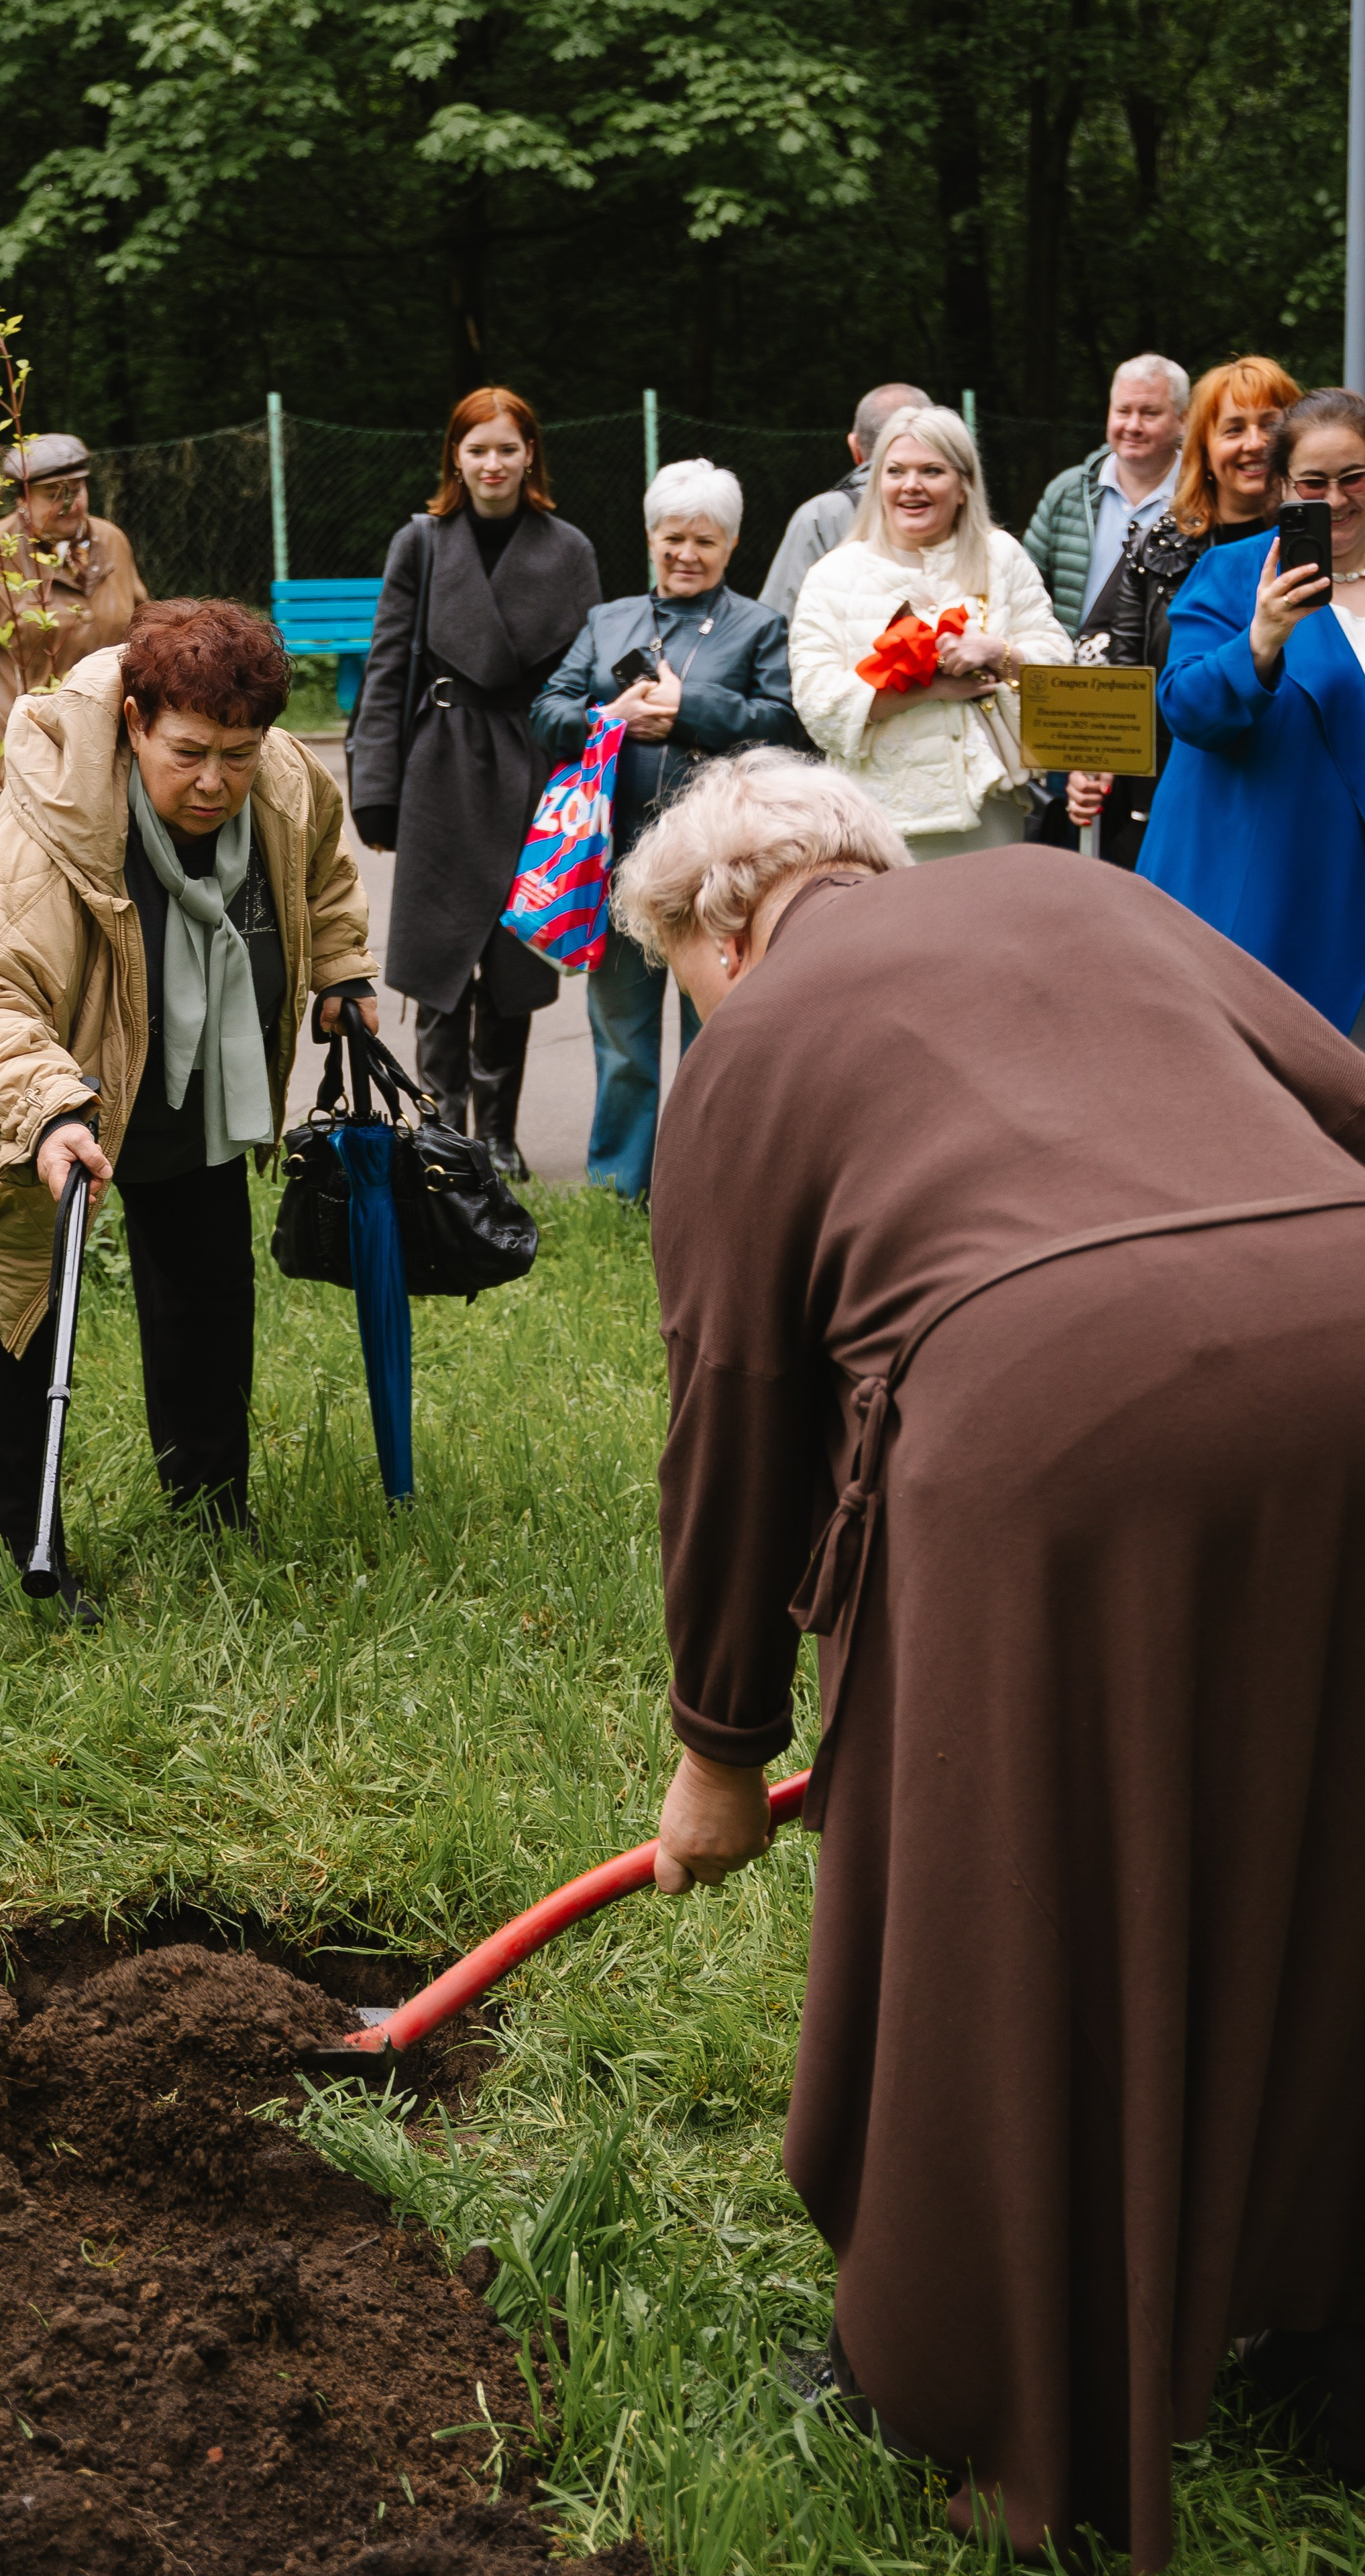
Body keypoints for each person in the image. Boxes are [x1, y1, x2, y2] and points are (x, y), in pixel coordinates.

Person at [616, 745, 1365, 2568]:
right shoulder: (1087, 890)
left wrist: (721, 1743)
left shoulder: (759, 1043)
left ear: (724, 932)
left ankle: (980, 2380)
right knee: (1337, 1850)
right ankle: (1335, 2340)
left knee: (1012, 1907)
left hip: (1064, 1427)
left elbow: (730, 1417)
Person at [0, 598, 378, 1619]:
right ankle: (16, 1550)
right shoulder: (57, 821)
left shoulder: (284, 782)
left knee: (208, 1287)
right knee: (27, 1297)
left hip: (201, 1082)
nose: (215, 782)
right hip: (48, 1088)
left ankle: (211, 1503)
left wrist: (340, 968)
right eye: (189, 752)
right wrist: (42, 1111)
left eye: (238, 755)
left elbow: (325, 872)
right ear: (133, 723)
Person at [348, 386, 600, 1180]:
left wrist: (581, 797)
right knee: (440, 953)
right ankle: (438, 1133)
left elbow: (584, 679)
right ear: (454, 457)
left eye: (507, 448)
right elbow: (389, 666)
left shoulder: (569, 550)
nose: (492, 464)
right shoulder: (420, 543)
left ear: (531, 456)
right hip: (443, 764)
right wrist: (376, 785)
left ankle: (498, 1136)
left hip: (532, 765)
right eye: (477, 449)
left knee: (512, 956)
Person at [530, 458, 799, 1201]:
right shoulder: (607, 620)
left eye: (704, 541)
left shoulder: (758, 627)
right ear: (650, 537)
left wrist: (691, 710)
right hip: (613, 861)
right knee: (622, 1035)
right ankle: (619, 1189)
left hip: (720, 866)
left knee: (717, 1034)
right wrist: (602, 718)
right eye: (672, 537)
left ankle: (709, 1185)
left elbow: (785, 727)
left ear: (732, 545)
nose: (686, 554)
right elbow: (546, 710)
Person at [1137, 386, 1365, 1036]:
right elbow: (1186, 711)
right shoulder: (1234, 573)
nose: (1337, 499)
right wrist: (1261, 639)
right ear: (1284, 488)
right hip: (1268, 888)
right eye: (1313, 482)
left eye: (1354, 478)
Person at [789, 406, 1071, 857]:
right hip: (877, 820)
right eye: (895, 471)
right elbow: (818, 704)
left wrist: (996, 652)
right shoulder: (833, 575)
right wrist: (934, 688)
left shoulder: (1003, 557)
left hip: (991, 812)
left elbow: (1059, 667)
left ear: (964, 486)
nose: (911, 485)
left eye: (932, 471)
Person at [1067, 356, 1300, 868]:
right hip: (1173, 789)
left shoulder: (1322, 545)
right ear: (1204, 446)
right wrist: (1095, 760)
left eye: (1271, 425)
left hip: (1291, 786)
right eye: (1234, 428)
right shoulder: (1161, 546)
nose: (1254, 443)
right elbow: (1116, 660)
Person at [0, 433, 148, 806]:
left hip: (103, 746)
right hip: (11, 752)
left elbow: (144, 629)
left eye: (77, 490)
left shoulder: (113, 541)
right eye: (53, 494)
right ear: (22, 500)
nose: (70, 505)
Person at [1022, 354, 1190, 635]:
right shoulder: (1068, 493)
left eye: (1150, 413)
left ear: (1183, 420)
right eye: (1123, 411)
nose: (1133, 426)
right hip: (1068, 671)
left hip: (1162, 674)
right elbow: (1023, 590)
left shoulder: (1204, 500)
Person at [758, 380, 930, 620]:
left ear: (854, 447)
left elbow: (778, 624)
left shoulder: (820, 516)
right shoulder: (960, 507)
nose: (910, 488)